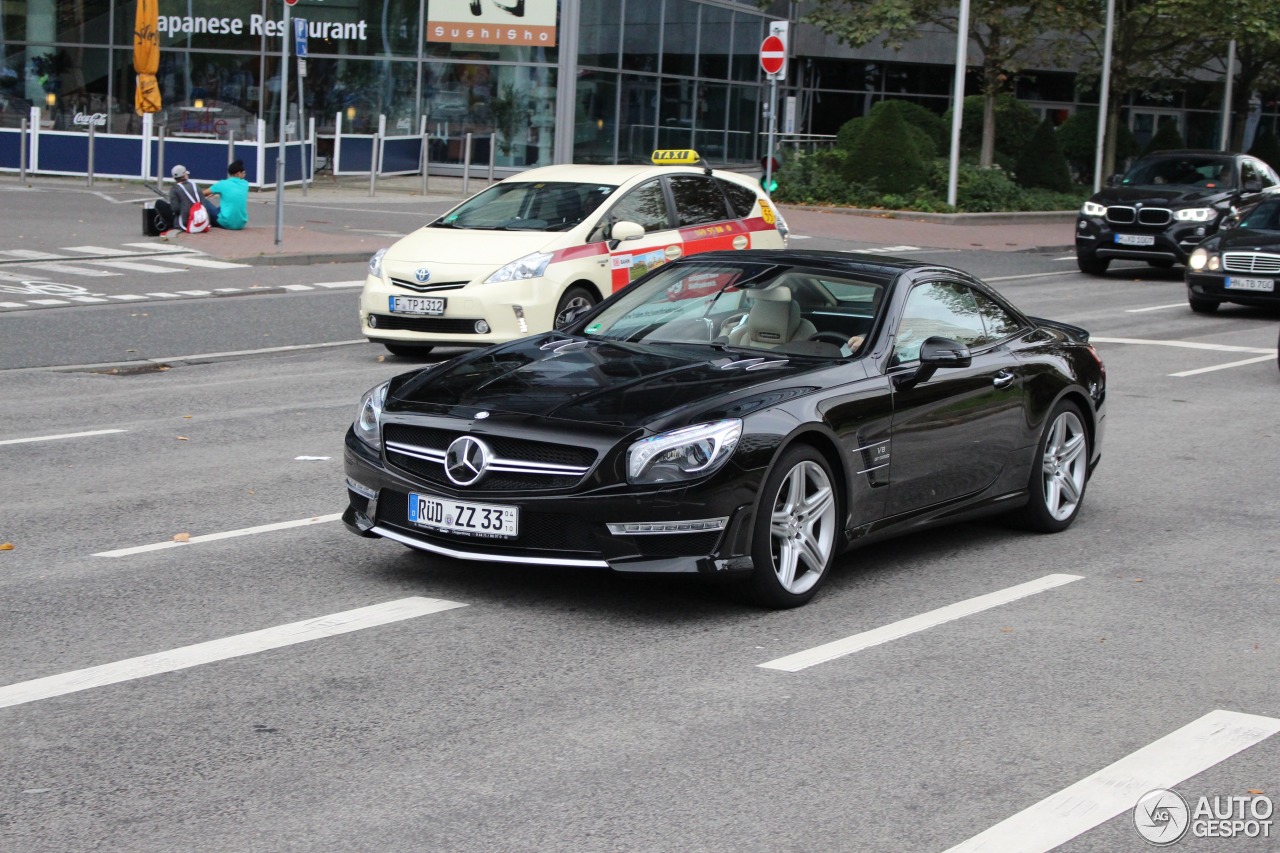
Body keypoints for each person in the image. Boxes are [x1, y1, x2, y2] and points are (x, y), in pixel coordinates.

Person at [154, 164, 218, 233]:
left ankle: (170, 226)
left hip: (185, 223)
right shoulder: (195, 185)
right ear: (185, 175)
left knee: (159, 203)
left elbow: (175, 209)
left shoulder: (174, 189)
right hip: (202, 220)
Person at [203, 160, 250, 230]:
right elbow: (232, 191)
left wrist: (215, 192)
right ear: (238, 173)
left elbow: (203, 193)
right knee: (225, 206)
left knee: (203, 201)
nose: (244, 175)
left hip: (226, 223)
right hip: (241, 223)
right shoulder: (245, 184)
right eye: (243, 173)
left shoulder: (223, 184)